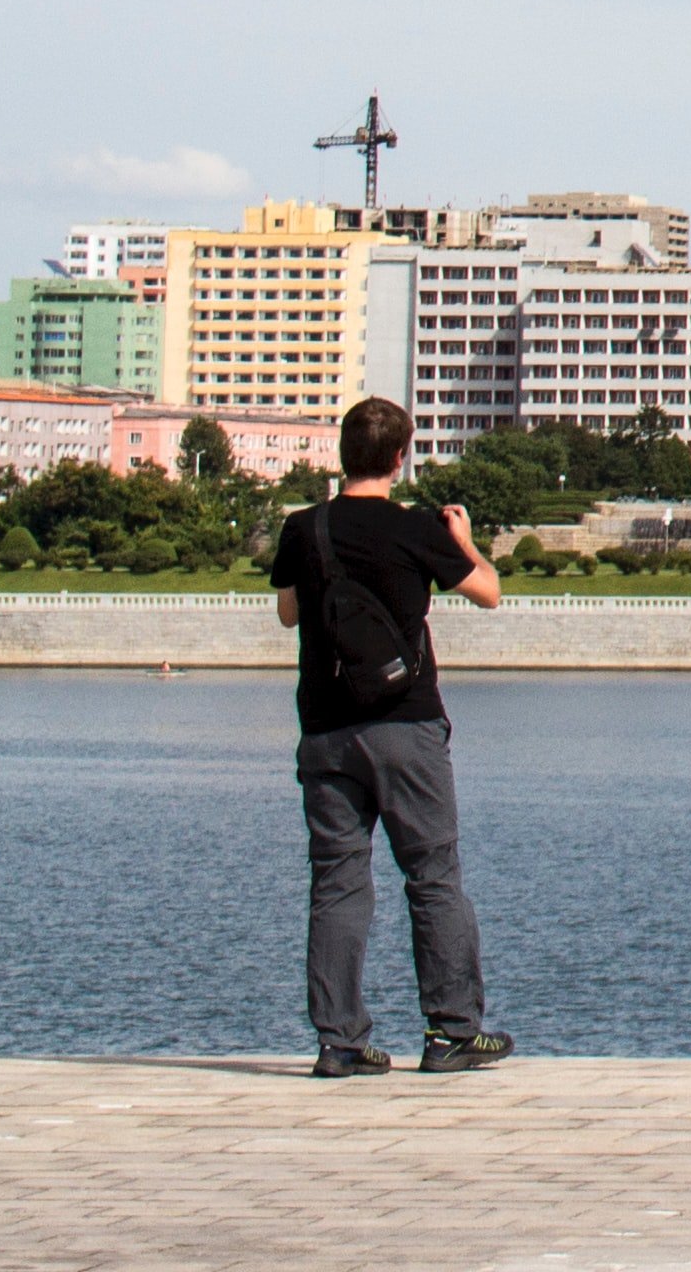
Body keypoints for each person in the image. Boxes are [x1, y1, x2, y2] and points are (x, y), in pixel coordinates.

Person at [266, 396, 513, 1076]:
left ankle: (340, 1042)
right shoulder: (414, 529)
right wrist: (461, 540)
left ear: (342, 454)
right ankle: (452, 1030)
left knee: (338, 884)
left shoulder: (303, 529)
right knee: (432, 875)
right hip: (406, 726)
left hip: (324, 731)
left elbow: (289, 615)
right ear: (400, 457)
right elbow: (489, 592)